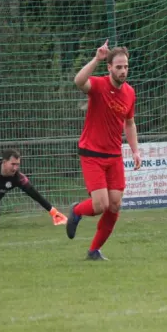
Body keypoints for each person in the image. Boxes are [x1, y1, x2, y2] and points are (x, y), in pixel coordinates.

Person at [66, 40, 142, 260]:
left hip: (114, 155)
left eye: (125, 66)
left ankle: (94, 251)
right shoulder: (98, 85)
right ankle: (77, 210)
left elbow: (129, 123)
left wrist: (135, 151)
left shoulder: (129, 93)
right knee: (101, 205)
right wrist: (96, 59)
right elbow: (78, 81)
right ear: (109, 67)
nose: (123, 70)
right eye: (118, 66)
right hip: (92, 154)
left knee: (115, 204)